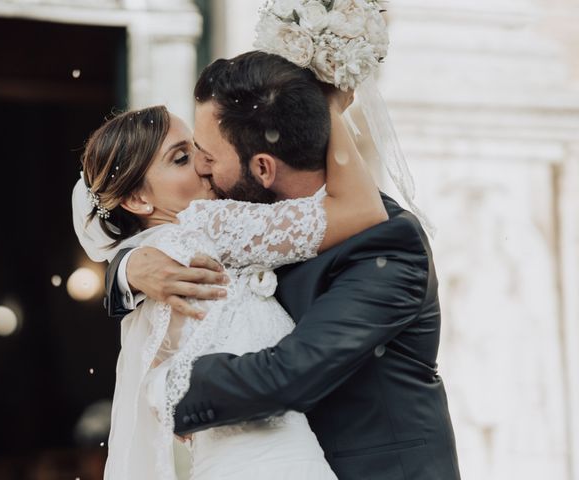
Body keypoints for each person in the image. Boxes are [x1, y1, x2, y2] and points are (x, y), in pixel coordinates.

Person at [106, 50, 461, 479]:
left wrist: (165, 389)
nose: (201, 166)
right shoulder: (247, 220)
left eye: (207, 155)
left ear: (262, 167)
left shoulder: (386, 243)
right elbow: (165, 238)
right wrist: (129, 266)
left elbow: (288, 375)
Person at [73, 66, 387, 478]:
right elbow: (362, 210)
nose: (205, 163)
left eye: (199, 147)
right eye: (181, 158)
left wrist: (127, 268)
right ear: (136, 198)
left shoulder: (149, 259)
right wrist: (327, 105)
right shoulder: (206, 227)